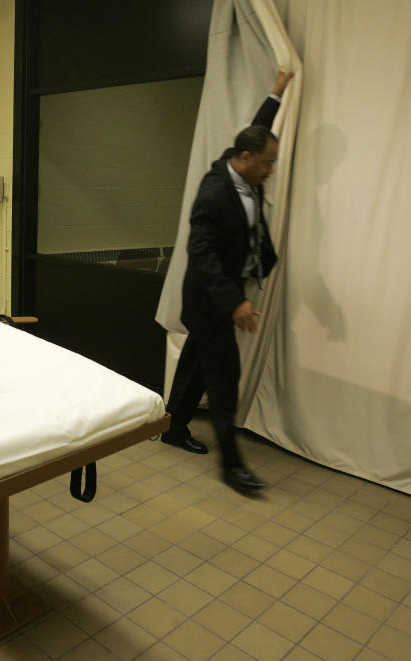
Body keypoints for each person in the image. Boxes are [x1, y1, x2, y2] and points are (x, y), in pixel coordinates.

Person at [161, 71, 294, 494]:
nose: (271, 171)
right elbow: (202, 256)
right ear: (245, 158)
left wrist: (275, 92)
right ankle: (231, 466)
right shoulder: (215, 192)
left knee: (196, 363)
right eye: (268, 163)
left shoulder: (245, 166)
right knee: (223, 378)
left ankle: (173, 425)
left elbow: (258, 133)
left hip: (219, 296)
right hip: (210, 299)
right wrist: (234, 301)